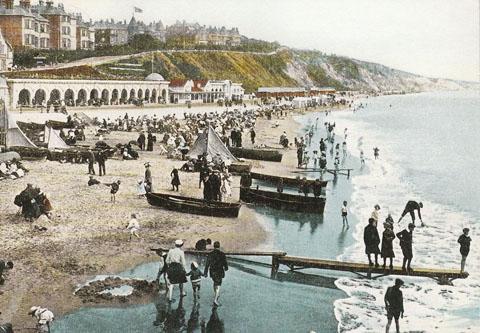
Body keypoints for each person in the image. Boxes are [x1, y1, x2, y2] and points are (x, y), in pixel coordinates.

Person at [204, 241, 228, 306]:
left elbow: (207, 264)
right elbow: (225, 262)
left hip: (212, 271)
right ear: (219, 246)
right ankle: (215, 299)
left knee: (215, 282)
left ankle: (216, 294)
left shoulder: (210, 254)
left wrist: (205, 272)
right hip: (219, 271)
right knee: (218, 284)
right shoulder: (222, 254)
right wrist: (226, 268)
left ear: (214, 246)